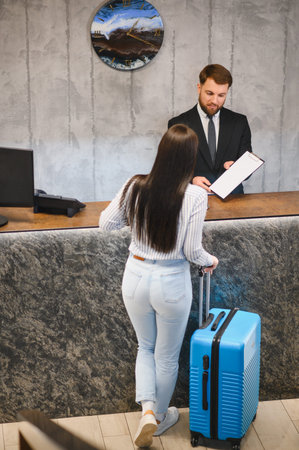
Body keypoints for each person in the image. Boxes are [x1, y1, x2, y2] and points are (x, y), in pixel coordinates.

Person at [99, 124, 218, 448]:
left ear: (161, 152)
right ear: (190, 158)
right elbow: (193, 252)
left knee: (145, 348)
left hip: (135, 276)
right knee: (165, 357)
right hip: (171, 282)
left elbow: (105, 223)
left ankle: (147, 412)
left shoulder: (135, 185)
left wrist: (137, 213)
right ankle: (160, 416)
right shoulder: (195, 195)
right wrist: (211, 260)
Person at [168, 64, 252, 194]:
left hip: (233, 199)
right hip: (193, 198)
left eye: (221, 95)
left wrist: (238, 169)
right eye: (209, 93)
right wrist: (191, 180)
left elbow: (247, 168)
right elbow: (172, 168)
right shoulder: (178, 124)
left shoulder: (240, 122)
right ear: (199, 88)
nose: (214, 100)